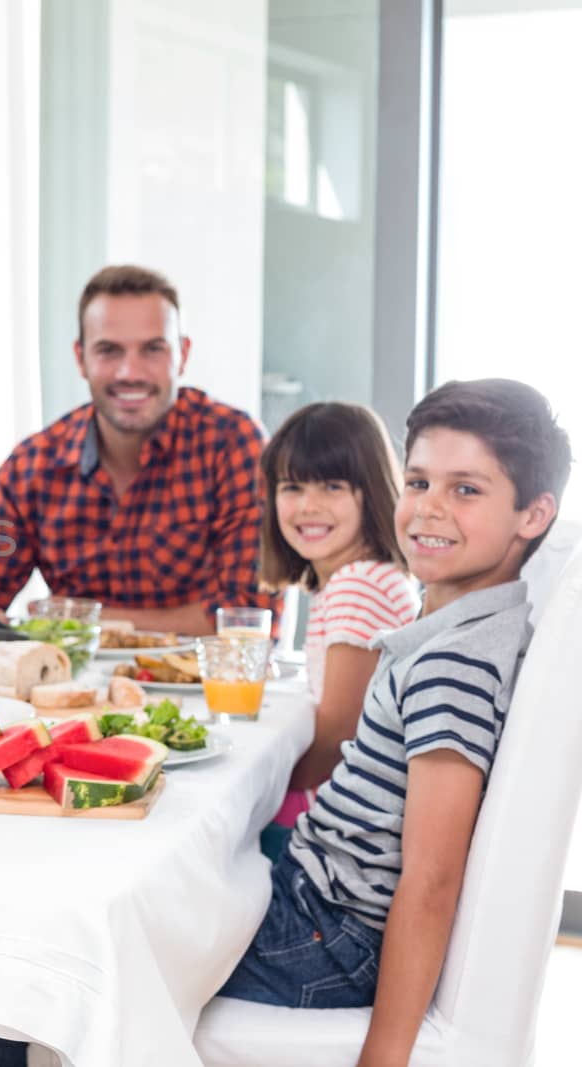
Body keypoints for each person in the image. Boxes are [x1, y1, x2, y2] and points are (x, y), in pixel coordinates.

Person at [216, 379, 570, 1065]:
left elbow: (431, 878)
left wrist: (384, 1055)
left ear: (533, 514)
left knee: (98, 945)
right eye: (418, 481)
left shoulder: (454, 665)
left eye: (466, 489)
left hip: (325, 937)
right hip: (316, 904)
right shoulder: (456, 627)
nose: (428, 509)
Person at [0, 265, 276, 634]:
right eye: (109, 351)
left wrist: (76, 618)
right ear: (80, 357)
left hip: (205, 691)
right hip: (69, 689)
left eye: (152, 349)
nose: (129, 371)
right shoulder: (31, 469)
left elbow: (247, 621)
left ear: (182, 354)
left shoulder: (234, 447)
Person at [257, 403, 420, 857]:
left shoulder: (359, 584)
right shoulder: (362, 578)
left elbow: (337, 737)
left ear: (370, 491)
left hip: (331, 833)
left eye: (331, 486)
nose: (309, 505)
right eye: (292, 487)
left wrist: (256, 787)